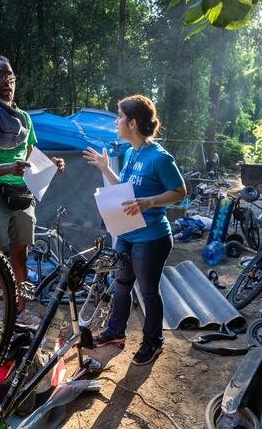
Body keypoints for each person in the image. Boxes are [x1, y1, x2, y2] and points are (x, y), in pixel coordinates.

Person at [83, 94, 186, 365]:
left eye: (119, 117)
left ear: (132, 122)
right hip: (127, 232)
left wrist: (150, 202)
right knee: (121, 285)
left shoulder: (160, 158)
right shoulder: (130, 152)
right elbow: (126, 189)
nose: (116, 121)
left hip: (152, 236)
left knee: (148, 291)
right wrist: (106, 169)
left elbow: (180, 192)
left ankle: (154, 341)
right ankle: (115, 333)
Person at [0, 55, 65, 324]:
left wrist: (51, 164)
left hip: (23, 195)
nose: (7, 80)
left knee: (21, 258)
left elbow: (30, 157)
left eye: (10, 75)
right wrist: (5, 169)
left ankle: (20, 313)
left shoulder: (24, 120)